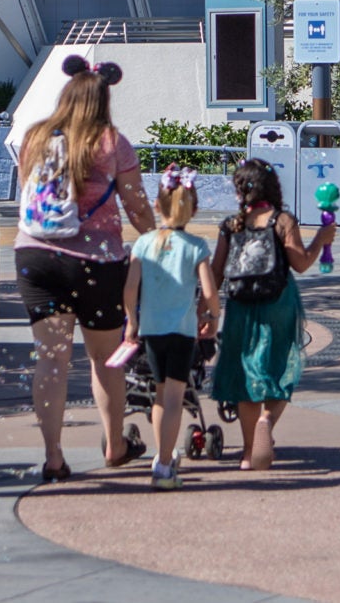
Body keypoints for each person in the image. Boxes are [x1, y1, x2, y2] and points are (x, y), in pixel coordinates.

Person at [13, 53, 155, 482]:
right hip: (97, 263)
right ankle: (114, 444)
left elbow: (27, 189)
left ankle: (53, 456)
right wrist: (157, 237)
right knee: (105, 359)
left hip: (34, 257)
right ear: (102, 99)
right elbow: (136, 207)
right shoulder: (113, 143)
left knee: (51, 362)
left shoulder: (35, 137)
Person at [211, 156, 335, 470]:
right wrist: (322, 238)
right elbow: (301, 263)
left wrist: (205, 313)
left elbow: (215, 274)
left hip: (240, 306)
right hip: (278, 302)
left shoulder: (231, 225)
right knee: (281, 368)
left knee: (247, 375)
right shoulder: (282, 221)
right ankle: (268, 419)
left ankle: (249, 452)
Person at [125, 166, 217, 490]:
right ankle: (164, 465)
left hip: (150, 331)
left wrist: (132, 323)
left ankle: (162, 454)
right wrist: (212, 318)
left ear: (156, 205)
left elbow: (130, 288)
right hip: (182, 332)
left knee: (160, 394)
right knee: (176, 396)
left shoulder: (143, 244)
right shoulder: (196, 246)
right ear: (193, 207)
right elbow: (209, 292)